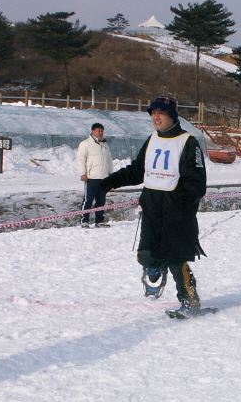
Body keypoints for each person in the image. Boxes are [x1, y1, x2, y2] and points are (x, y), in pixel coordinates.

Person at [101, 96, 207, 319]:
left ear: (172, 116)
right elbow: (137, 171)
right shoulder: (151, 140)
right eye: (153, 112)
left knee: (177, 260)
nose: (156, 117)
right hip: (151, 207)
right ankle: (156, 265)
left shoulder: (188, 142)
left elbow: (196, 183)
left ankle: (190, 302)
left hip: (176, 210)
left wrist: (182, 204)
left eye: (162, 113)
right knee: (146, 254)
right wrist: (109, 182)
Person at [76, 123, 114, 228]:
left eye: (102, 131)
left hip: (103, 177)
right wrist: (82, 173)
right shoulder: (85, 144)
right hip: (92, 177)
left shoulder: (104, 144)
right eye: (98, 131)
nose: (101, 133)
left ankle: (99, 220)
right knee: (88, 200)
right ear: (93, 131)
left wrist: (111, 173)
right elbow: (81, 159)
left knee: (101, 199)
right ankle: (84, 220)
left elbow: (109, 160)